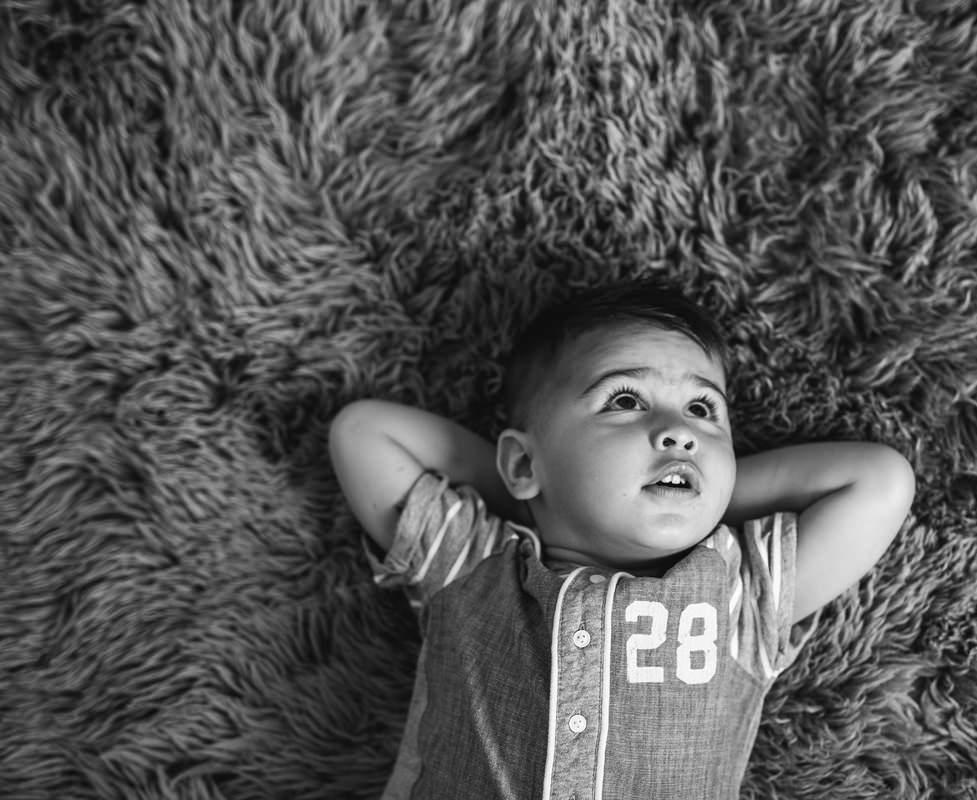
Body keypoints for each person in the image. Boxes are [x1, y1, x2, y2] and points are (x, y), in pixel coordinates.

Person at [328, 279, 915, 799]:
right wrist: (539, 493)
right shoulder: (470, 564)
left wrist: (703, 498)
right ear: (523, 463)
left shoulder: (739, 591)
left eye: (702, 408)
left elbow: (879, 481)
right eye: (626, 400)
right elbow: (364, 434)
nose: (679, 433)